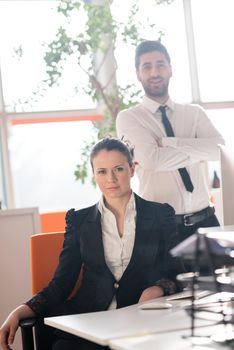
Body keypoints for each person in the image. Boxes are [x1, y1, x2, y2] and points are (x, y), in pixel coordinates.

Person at [0, 137, 184, 350]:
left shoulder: (161, 214)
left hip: (141, 320)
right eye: (102, 171)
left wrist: (158, 289)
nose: (111, 179)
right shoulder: (79, 221)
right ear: (94, 173)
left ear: (132, 169)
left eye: (118, 169)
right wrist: (20, 310)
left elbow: (178, 272)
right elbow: (61, 284)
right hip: (88, 322)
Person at [116, 40, 225, 245]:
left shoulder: (194, 113)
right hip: (161, 227)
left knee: (221, 278)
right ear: (138, 74)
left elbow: (219, 150)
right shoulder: (129, 118)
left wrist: (170, 143)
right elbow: (152, 161)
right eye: (146, 66)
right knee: (167, 279)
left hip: (207, 221)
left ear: (170, 69)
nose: (154, 72)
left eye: (160, 64)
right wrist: (197, 148)